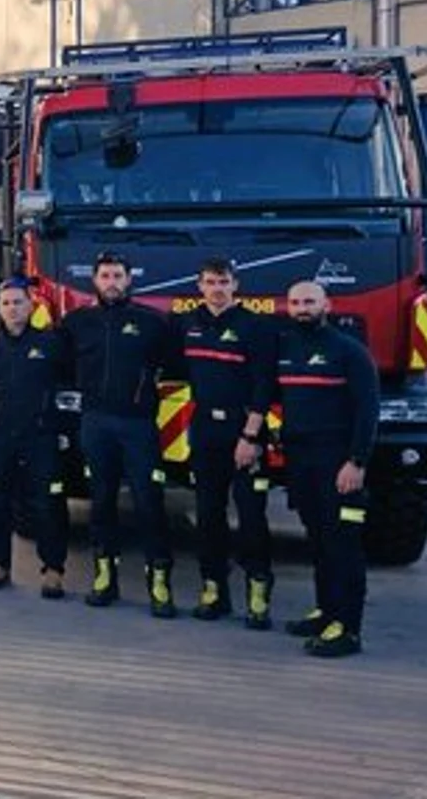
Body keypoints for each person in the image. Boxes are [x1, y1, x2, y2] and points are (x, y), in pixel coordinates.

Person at [61, 252, 181, 616]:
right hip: (95, 422)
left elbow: (175, 364)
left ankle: (159, 582)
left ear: (129, 280)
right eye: (105, 275)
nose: (111, 282)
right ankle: (104, 577)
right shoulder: (77, 322)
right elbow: (54, 358)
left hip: (138, 425)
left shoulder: (152, 322)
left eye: (118, 275)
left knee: (149, 502)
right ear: (94, 281)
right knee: (101, 501)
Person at [172, 257, 279, 628]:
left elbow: (265, 385)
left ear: (236, 285)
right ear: (199, 287)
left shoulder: (255, 326)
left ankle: (258, 593)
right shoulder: (187, 324)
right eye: (210, 282)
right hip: (205, 432)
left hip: (244, 432)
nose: (217, 289)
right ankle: (214, 588)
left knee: (251, 517)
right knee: (208, 516)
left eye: (223, 282)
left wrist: (250, 436)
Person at [274, 280, 378, 658]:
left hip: (339, 463)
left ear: (327, 305)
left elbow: (367, 412)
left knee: (343, 545)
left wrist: (357, 461)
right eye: (296, 302)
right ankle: (326, 612)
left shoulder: (350, 352)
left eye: (310, 302)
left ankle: (348, 629)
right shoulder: (286, 349)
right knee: (317, 541)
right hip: (301, 462)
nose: (302, 308)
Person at [0, 276, 72, 598]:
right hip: (1, 436)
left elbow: (69, 380)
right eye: (5, 303)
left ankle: (53, 569)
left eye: (18, 302)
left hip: (41, 436)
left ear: (30, 305)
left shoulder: (50, 344)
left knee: (48, 503)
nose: (12, 308)